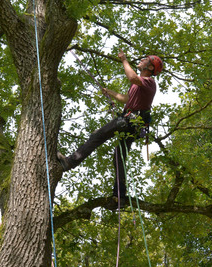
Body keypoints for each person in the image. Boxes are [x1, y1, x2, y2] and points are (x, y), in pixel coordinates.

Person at [57, 50, 163, 201]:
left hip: (130, 121)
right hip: (133, 124)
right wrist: (110, 92)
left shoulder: (149, 82)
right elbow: (127, 99)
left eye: (146, 59)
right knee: (119, 158)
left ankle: (70, 162)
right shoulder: (139, 85)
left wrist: (124, 60)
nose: (141, 60)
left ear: (151, 68)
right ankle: (119, 196)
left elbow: (132, 77)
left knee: (98, 135)